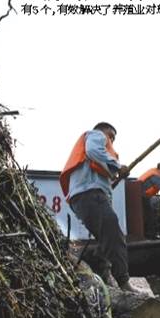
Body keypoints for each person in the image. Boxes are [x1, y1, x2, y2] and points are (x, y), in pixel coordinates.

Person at [59, 122, 138, 292]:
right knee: (114, 235)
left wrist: (115, 174)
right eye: (112, 136)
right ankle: (124, 282)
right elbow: (94, 151)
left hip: (83, 198)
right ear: (104, 131)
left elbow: (99, 169)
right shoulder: (97, 135)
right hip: (90, 195)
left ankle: (99, 271)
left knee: (105, 239)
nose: (111, 141)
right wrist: (118, 166)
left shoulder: (92, 161)